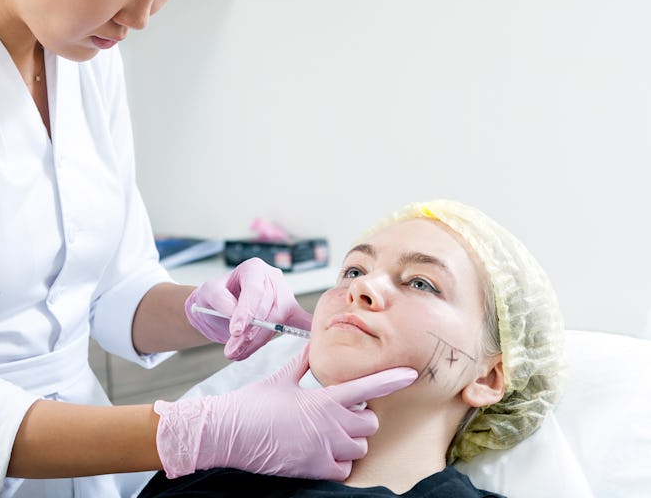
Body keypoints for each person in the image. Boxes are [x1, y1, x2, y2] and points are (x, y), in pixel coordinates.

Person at [0, 0, 417, 496]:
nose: (142, 20)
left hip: (84, 466)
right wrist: (195, 433)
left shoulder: (87, 55)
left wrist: (205, 310)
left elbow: (112, 291)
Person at [139, 199, 567, 497]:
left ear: (487, 377)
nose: (361, 286)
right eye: (353, 270)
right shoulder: (208, 473)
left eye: (421, 282)